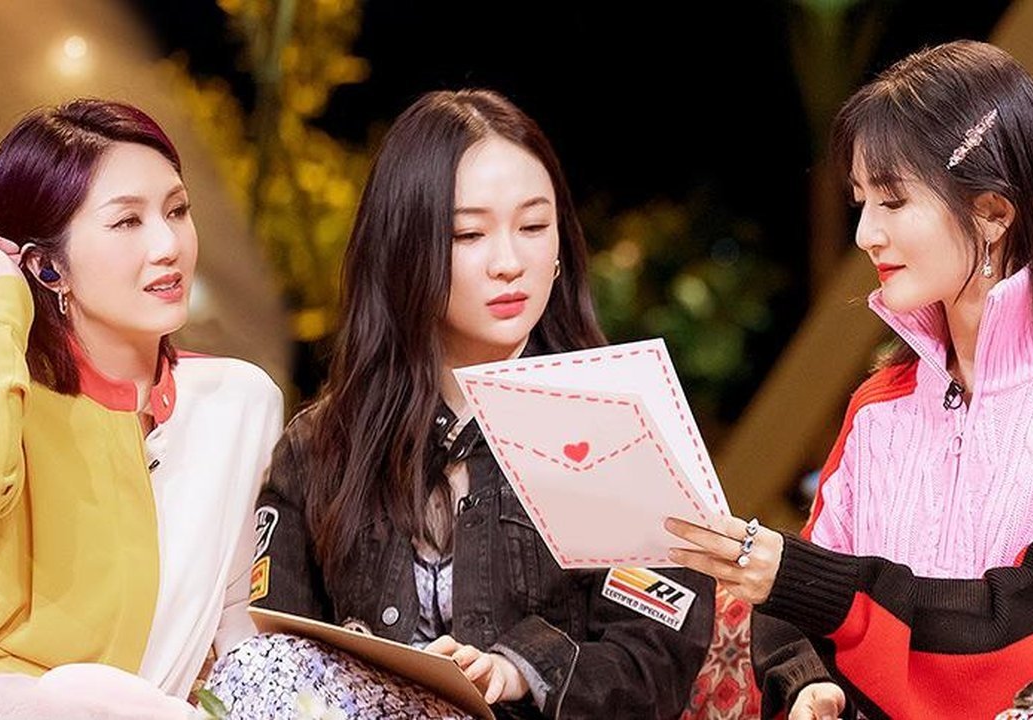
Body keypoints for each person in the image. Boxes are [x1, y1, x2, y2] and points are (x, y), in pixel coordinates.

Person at [666, 39, 1033, 720]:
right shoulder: (879, 405)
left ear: (993, 212)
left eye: (894, 200)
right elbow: (799, 603)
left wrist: (816, 584)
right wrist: (810, 683)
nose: (865, 235)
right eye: (861, 202)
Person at [225, 89, 714, 719]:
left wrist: (518, 668)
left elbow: (655, 665)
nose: (509, 262)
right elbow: (277, 653)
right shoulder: (321, 445)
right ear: (403, 250)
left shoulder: (620, 427)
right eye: (469, 234)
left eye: (533, 227)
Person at [0, 99, 283, 719]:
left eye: (177, 210)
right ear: (47, 266)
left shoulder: (237, 402)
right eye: (127, 221)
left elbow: (236, 624)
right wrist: (1, 302)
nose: (168, 245)